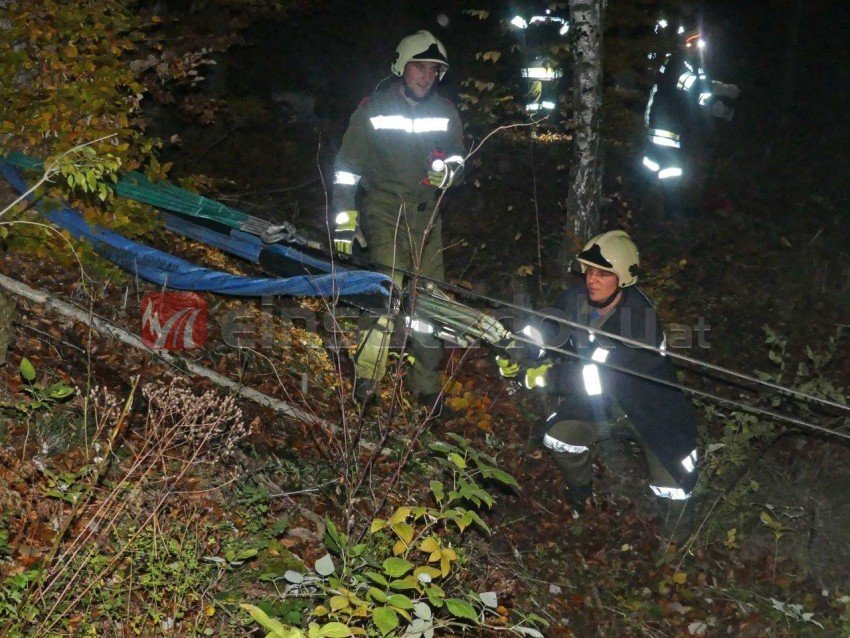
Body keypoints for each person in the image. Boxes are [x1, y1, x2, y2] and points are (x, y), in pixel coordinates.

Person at [496, 230, 699, 536]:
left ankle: (677, 544)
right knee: (559, 438)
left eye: (603, 273)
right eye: (589, 270)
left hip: (650, 410)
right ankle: (582, 496)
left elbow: (597, 378)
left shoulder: (640, 321)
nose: (592, 279)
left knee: (675, 487)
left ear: (623, 278)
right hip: (602, 405)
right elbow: (546, 328)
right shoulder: (576, 299)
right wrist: (520, 349)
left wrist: (544, 377)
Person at [331, 30, 465, 407]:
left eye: (434, 70)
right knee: (385, 295)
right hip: (384, 210)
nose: (427, 76)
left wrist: (450, 174)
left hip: (428, 218)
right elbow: (346, 171)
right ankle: (367, 380)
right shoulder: (372, 110)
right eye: (419, 67)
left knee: (430, 302)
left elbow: (459, 158)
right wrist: (345, 221)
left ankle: (425, 384)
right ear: (401, 67)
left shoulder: (446, 112)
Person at [641, 19, 739, 215]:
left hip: (671, 124)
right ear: (684, 45)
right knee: (671, 169)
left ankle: (643, 196)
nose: (697, 47)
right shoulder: (677, 65)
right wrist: (720, 106)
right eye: (692, 43)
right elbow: (695, 90)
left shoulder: (692, 66)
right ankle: (672, 210)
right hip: (665, 124)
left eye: (699, 43)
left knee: (655, 163)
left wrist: (724, 91)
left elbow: (703, 89)